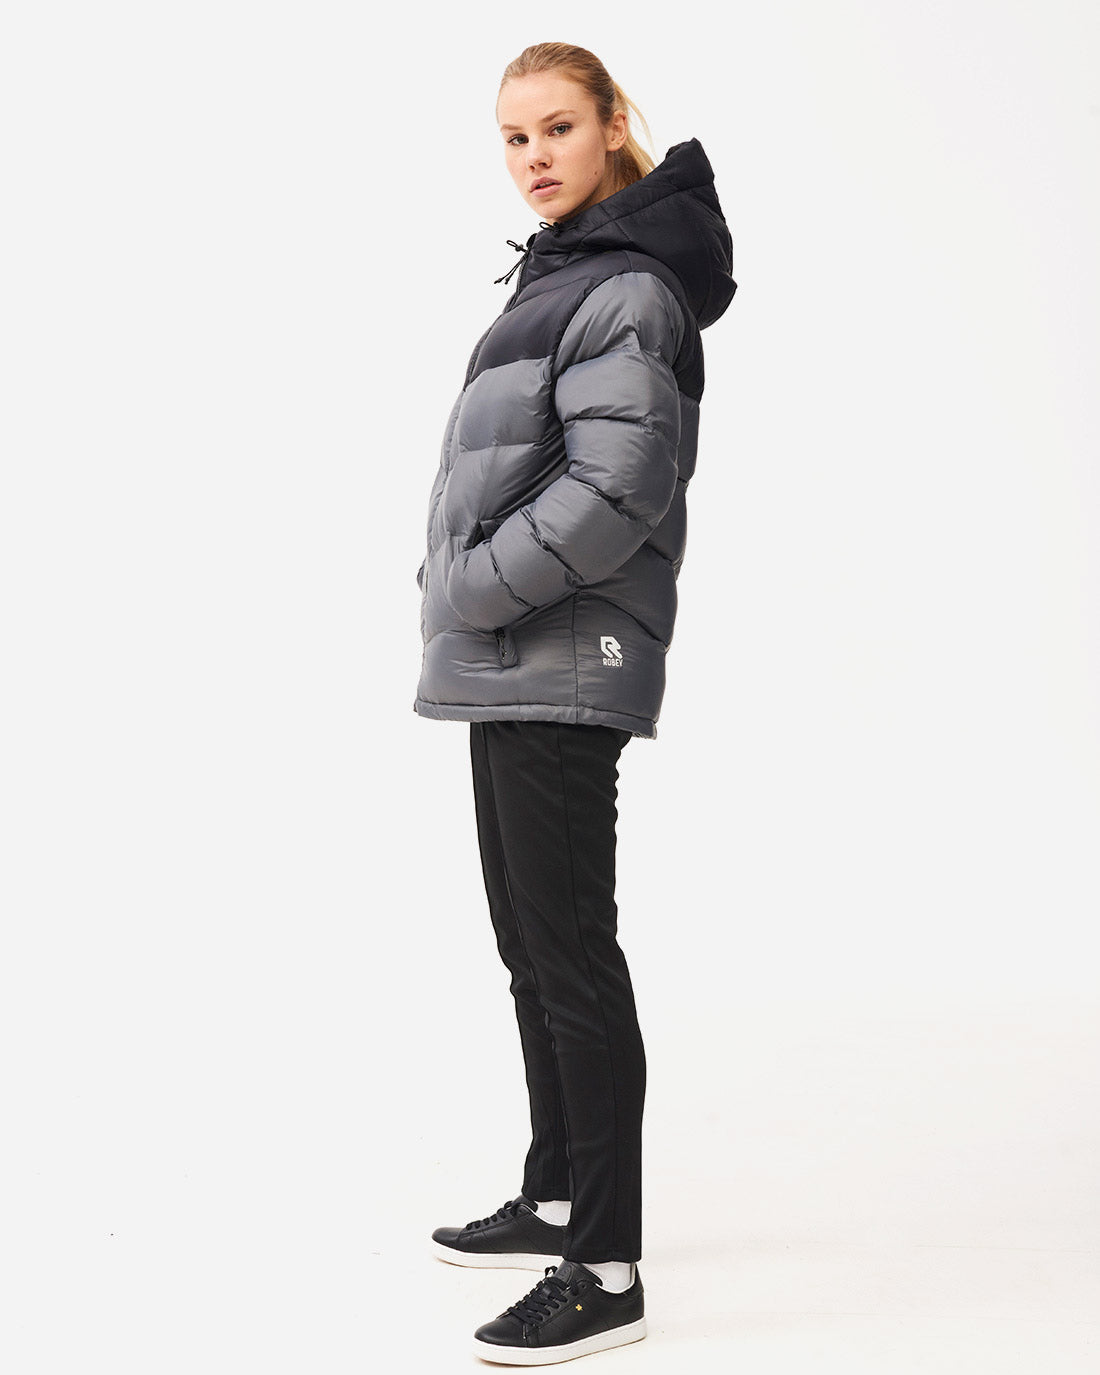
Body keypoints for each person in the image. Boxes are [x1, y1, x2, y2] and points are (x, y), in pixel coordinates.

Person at [413, 41, 736, 1365]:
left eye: (557, 127)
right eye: (514, 136)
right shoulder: (565, 272)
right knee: (531, 946)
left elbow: (620, 488)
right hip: (508, 655)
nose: (535, 156)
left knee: (574, 958)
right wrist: (465, 591)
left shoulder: (627, 288)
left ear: (612, 126)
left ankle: (605, 1267)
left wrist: (473, 583)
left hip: (558, 655)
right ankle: (556, 1196)